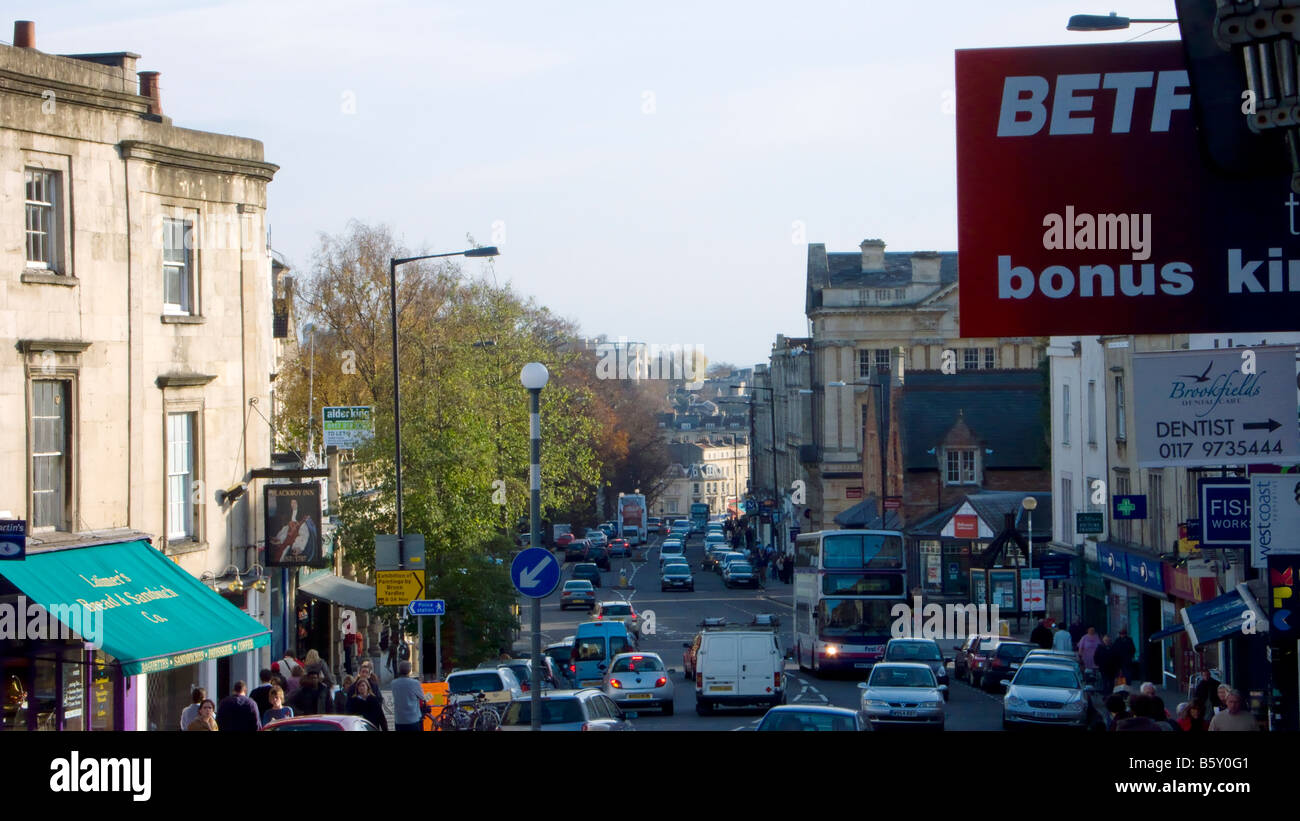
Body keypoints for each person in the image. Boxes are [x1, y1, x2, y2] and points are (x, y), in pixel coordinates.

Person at [391, 660, 428, 732]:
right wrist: (431, 694)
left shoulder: (393, 683)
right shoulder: (415, 683)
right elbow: (423, 697)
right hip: (413, 719)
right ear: (409, 670)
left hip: (399, 720)